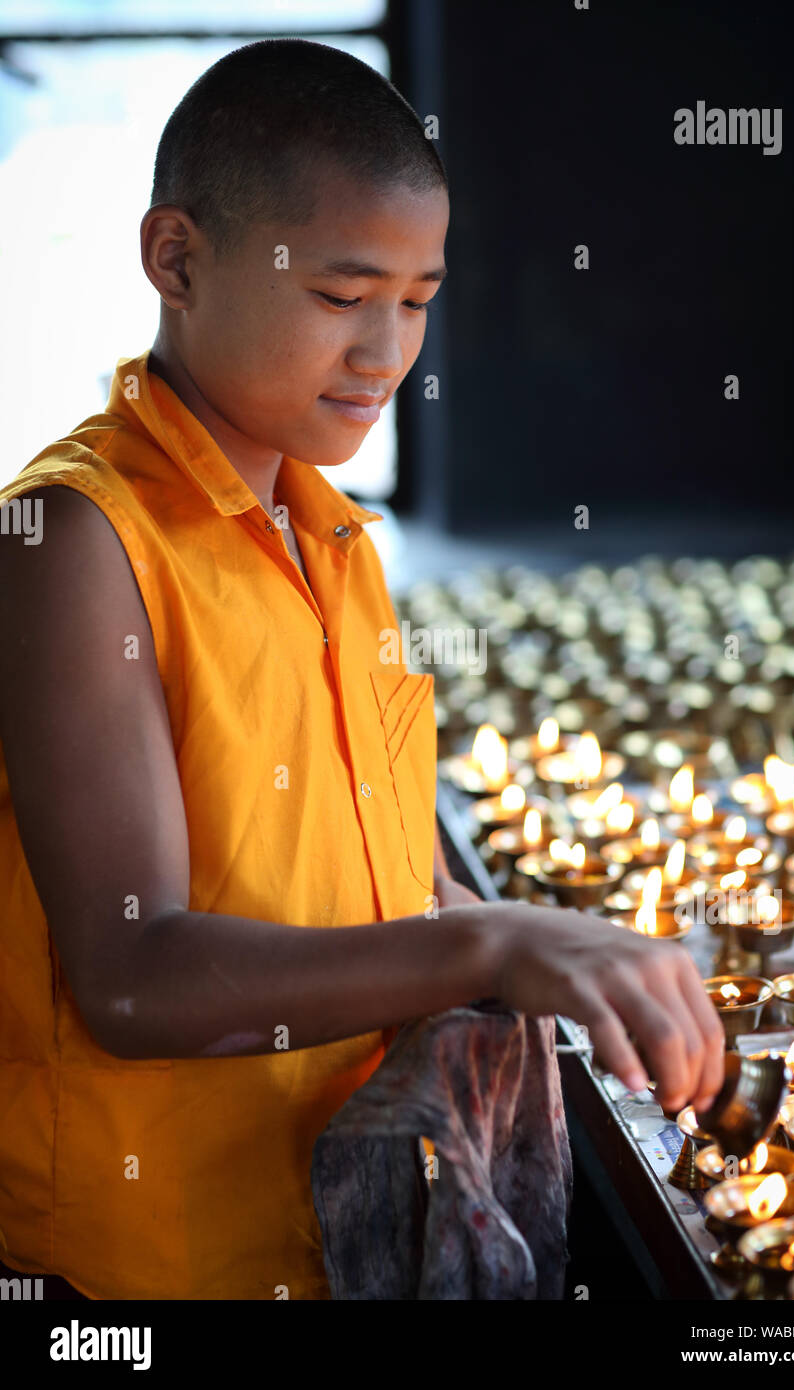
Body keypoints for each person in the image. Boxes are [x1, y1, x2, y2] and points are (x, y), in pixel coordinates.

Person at [0, 38, 724, 1301]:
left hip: (342, 1230)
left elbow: (385, 886)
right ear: (176, 259)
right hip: (151, 1271)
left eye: (418, 296)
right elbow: (130, 974)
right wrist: (492, 942)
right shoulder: (78, 541)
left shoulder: (332, 538)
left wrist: (586, 950)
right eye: (340, 296)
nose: (387, 349)